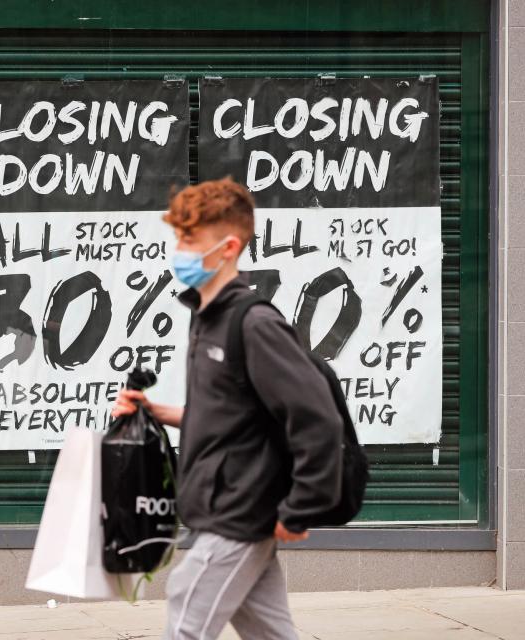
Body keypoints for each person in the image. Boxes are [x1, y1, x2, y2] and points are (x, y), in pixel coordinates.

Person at [112, 178, 344, 640]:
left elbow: (318, 416)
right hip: (214, 506)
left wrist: (300, 509)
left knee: (186, 620)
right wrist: (155, 412)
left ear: (228, 246)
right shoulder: (207, 319)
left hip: (239, 511)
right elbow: (226, 419)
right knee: (271, 633)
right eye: (177, 237)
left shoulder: (255, 323)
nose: (178, 249)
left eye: (189, 239)